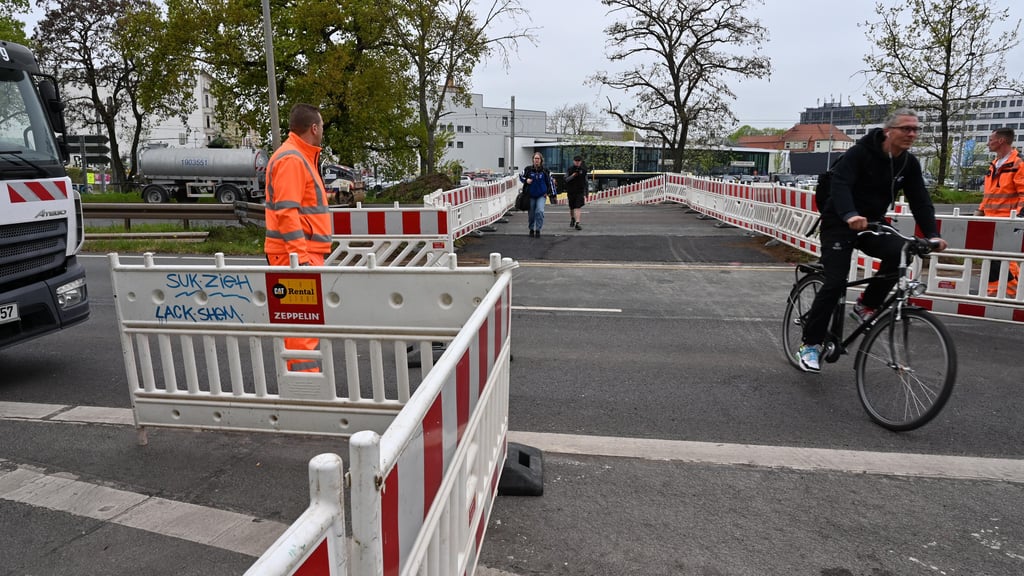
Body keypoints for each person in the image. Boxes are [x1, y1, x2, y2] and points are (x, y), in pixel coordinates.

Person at [798, 108, 948, 373]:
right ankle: (810, 344)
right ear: (889, 131)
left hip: (872, 223)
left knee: (902, 250)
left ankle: (866, 304)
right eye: (906, 128)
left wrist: (932, 234)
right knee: (835, 282)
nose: (912, 134)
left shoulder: (908, 163)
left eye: (915, 129)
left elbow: (920, 201)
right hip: (839, 222)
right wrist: (850, 214)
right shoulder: (860, 153)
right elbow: (840, 185)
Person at [264, 103, 331, 372]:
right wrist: (300, 260)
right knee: (302, 331)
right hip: (295, 257)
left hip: (297, 255)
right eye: (322, 125)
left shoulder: (298, 156)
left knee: (302, 329)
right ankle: (306, 391)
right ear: (314, 128)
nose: (323, 130)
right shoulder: (293, 159)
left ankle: (304, 387)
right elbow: (287, 212)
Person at [973, 127, 1024, 297]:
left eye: (990, 139)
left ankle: (1010, 292)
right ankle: (997, 292)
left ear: (1001, 141)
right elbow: (991, 193)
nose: (988, 143)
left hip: (1007, 220)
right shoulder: (995, 164)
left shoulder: (1018, 164)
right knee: (994, 258)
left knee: (1001, 259)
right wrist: (980, 210)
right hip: (991, 219)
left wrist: (1017, 217)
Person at [520, 152, 556, 237]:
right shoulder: (528, 169)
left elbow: (551, 182)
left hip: (541, 195)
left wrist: (551, 193)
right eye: (535, 158)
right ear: (533, 160)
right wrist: (526, 180)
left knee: (539, 211)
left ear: (541, 160)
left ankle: (538, 229)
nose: (536, 160)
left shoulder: (545, 170)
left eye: (538, 158)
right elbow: (521, 176)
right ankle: (531, 228)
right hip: (531, 195)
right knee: (531, 213)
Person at [564, 155, 588, 230]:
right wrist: (573, 176)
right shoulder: (569, 169)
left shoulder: (584, 170)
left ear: (580, 162)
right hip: (571, 191)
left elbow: (586, 182)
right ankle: (572, 218)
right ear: (573, 161)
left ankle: (577, 223)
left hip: (579, 191)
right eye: (576, 161)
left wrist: (586, 193)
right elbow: (566, 179)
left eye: (579, 161)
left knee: (578, 206)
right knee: (572, 207)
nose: (577, 162)